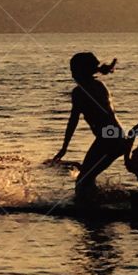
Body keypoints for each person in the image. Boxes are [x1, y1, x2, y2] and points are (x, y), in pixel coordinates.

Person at [51, 52, 125, 194]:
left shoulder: (79, 92)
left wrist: (64, 147)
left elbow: (73, 120)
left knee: (83, 181)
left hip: (108, 139)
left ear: (80, 71)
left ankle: (96, 204)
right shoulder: (99, 85)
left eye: (73, 70)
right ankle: (105, 198)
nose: (72, 75)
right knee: (87, 178)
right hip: (117, 136)